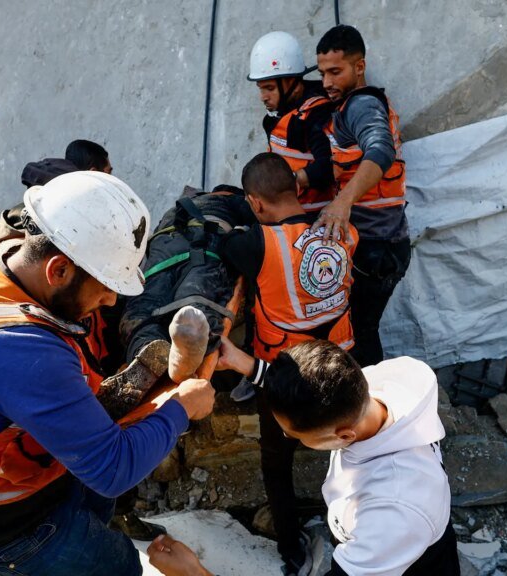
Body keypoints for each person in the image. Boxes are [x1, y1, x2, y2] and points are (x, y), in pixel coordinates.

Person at [0, 171, 216, 576]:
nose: (110, 301)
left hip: (20, 481)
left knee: (93, 513)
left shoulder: (4, 278)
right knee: (119, 565)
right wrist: (182, 408)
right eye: (106, 286)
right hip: (2, 526)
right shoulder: (17, 350)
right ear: (58, 270)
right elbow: (112, 469)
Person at [149, 340, 459, 576]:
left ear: (344, 436)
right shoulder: (375, 393)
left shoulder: (393, 511)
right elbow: (311, 390)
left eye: (294, 436)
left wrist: (196, 573)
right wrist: (246, 364)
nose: (287, 437)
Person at [219, 152, 357, 575]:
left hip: (286, 374)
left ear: (255, 203)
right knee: (349, 445)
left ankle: (291, 549)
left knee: (276, 463)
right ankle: (355, 523)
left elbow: (223, 246)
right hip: (341, 364)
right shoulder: (345, 232)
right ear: (295, 189)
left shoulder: (254, 244)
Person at [312, 25, 410, 368]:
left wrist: (343, 201)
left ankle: (368, 409)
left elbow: (380, 149)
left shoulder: (362, 105)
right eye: (322, 73)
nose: (327, 83)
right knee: (361, 330)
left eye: (335, 72)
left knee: (358, 335)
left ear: (360, 67)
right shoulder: (350, 104)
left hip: (376, 248)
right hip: (382, 244)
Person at [247, 31, 335, 211]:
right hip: (284, 212)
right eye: (261, 89)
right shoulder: (280, 115)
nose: (263, 97)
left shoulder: (315, 115)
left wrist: (289, 181)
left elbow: (329, 165)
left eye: (269, 89)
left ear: (291, 82)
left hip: (311, 217)